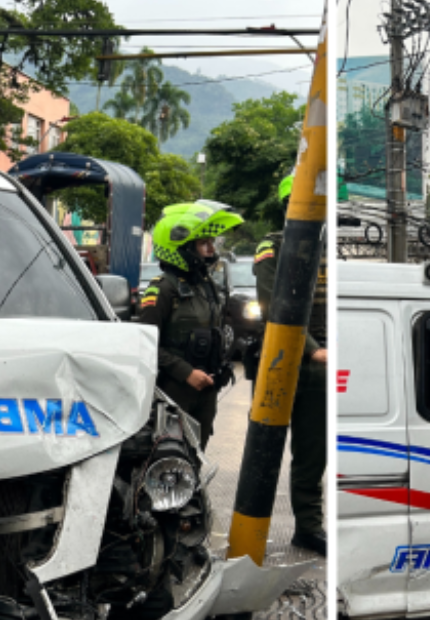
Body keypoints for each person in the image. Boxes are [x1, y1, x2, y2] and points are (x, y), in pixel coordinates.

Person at [253, 175, 328, 556]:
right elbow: (272, 305)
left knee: (313, 454)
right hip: (282, 361)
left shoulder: (330, 248)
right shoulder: (274, 246)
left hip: (321, 368)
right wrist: (313, 348)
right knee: (262, 453)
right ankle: (250, 526)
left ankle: (309, 527)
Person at [138, 200, 243, 446]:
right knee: (171, 458)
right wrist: (186, 373)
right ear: (182, 247)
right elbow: (145, 344)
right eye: (203, 243)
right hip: (174, 391)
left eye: (211, 243)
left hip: (206, 390)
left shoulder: (209, 288)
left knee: (197, 457)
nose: (211, 250)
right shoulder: (162, 290)